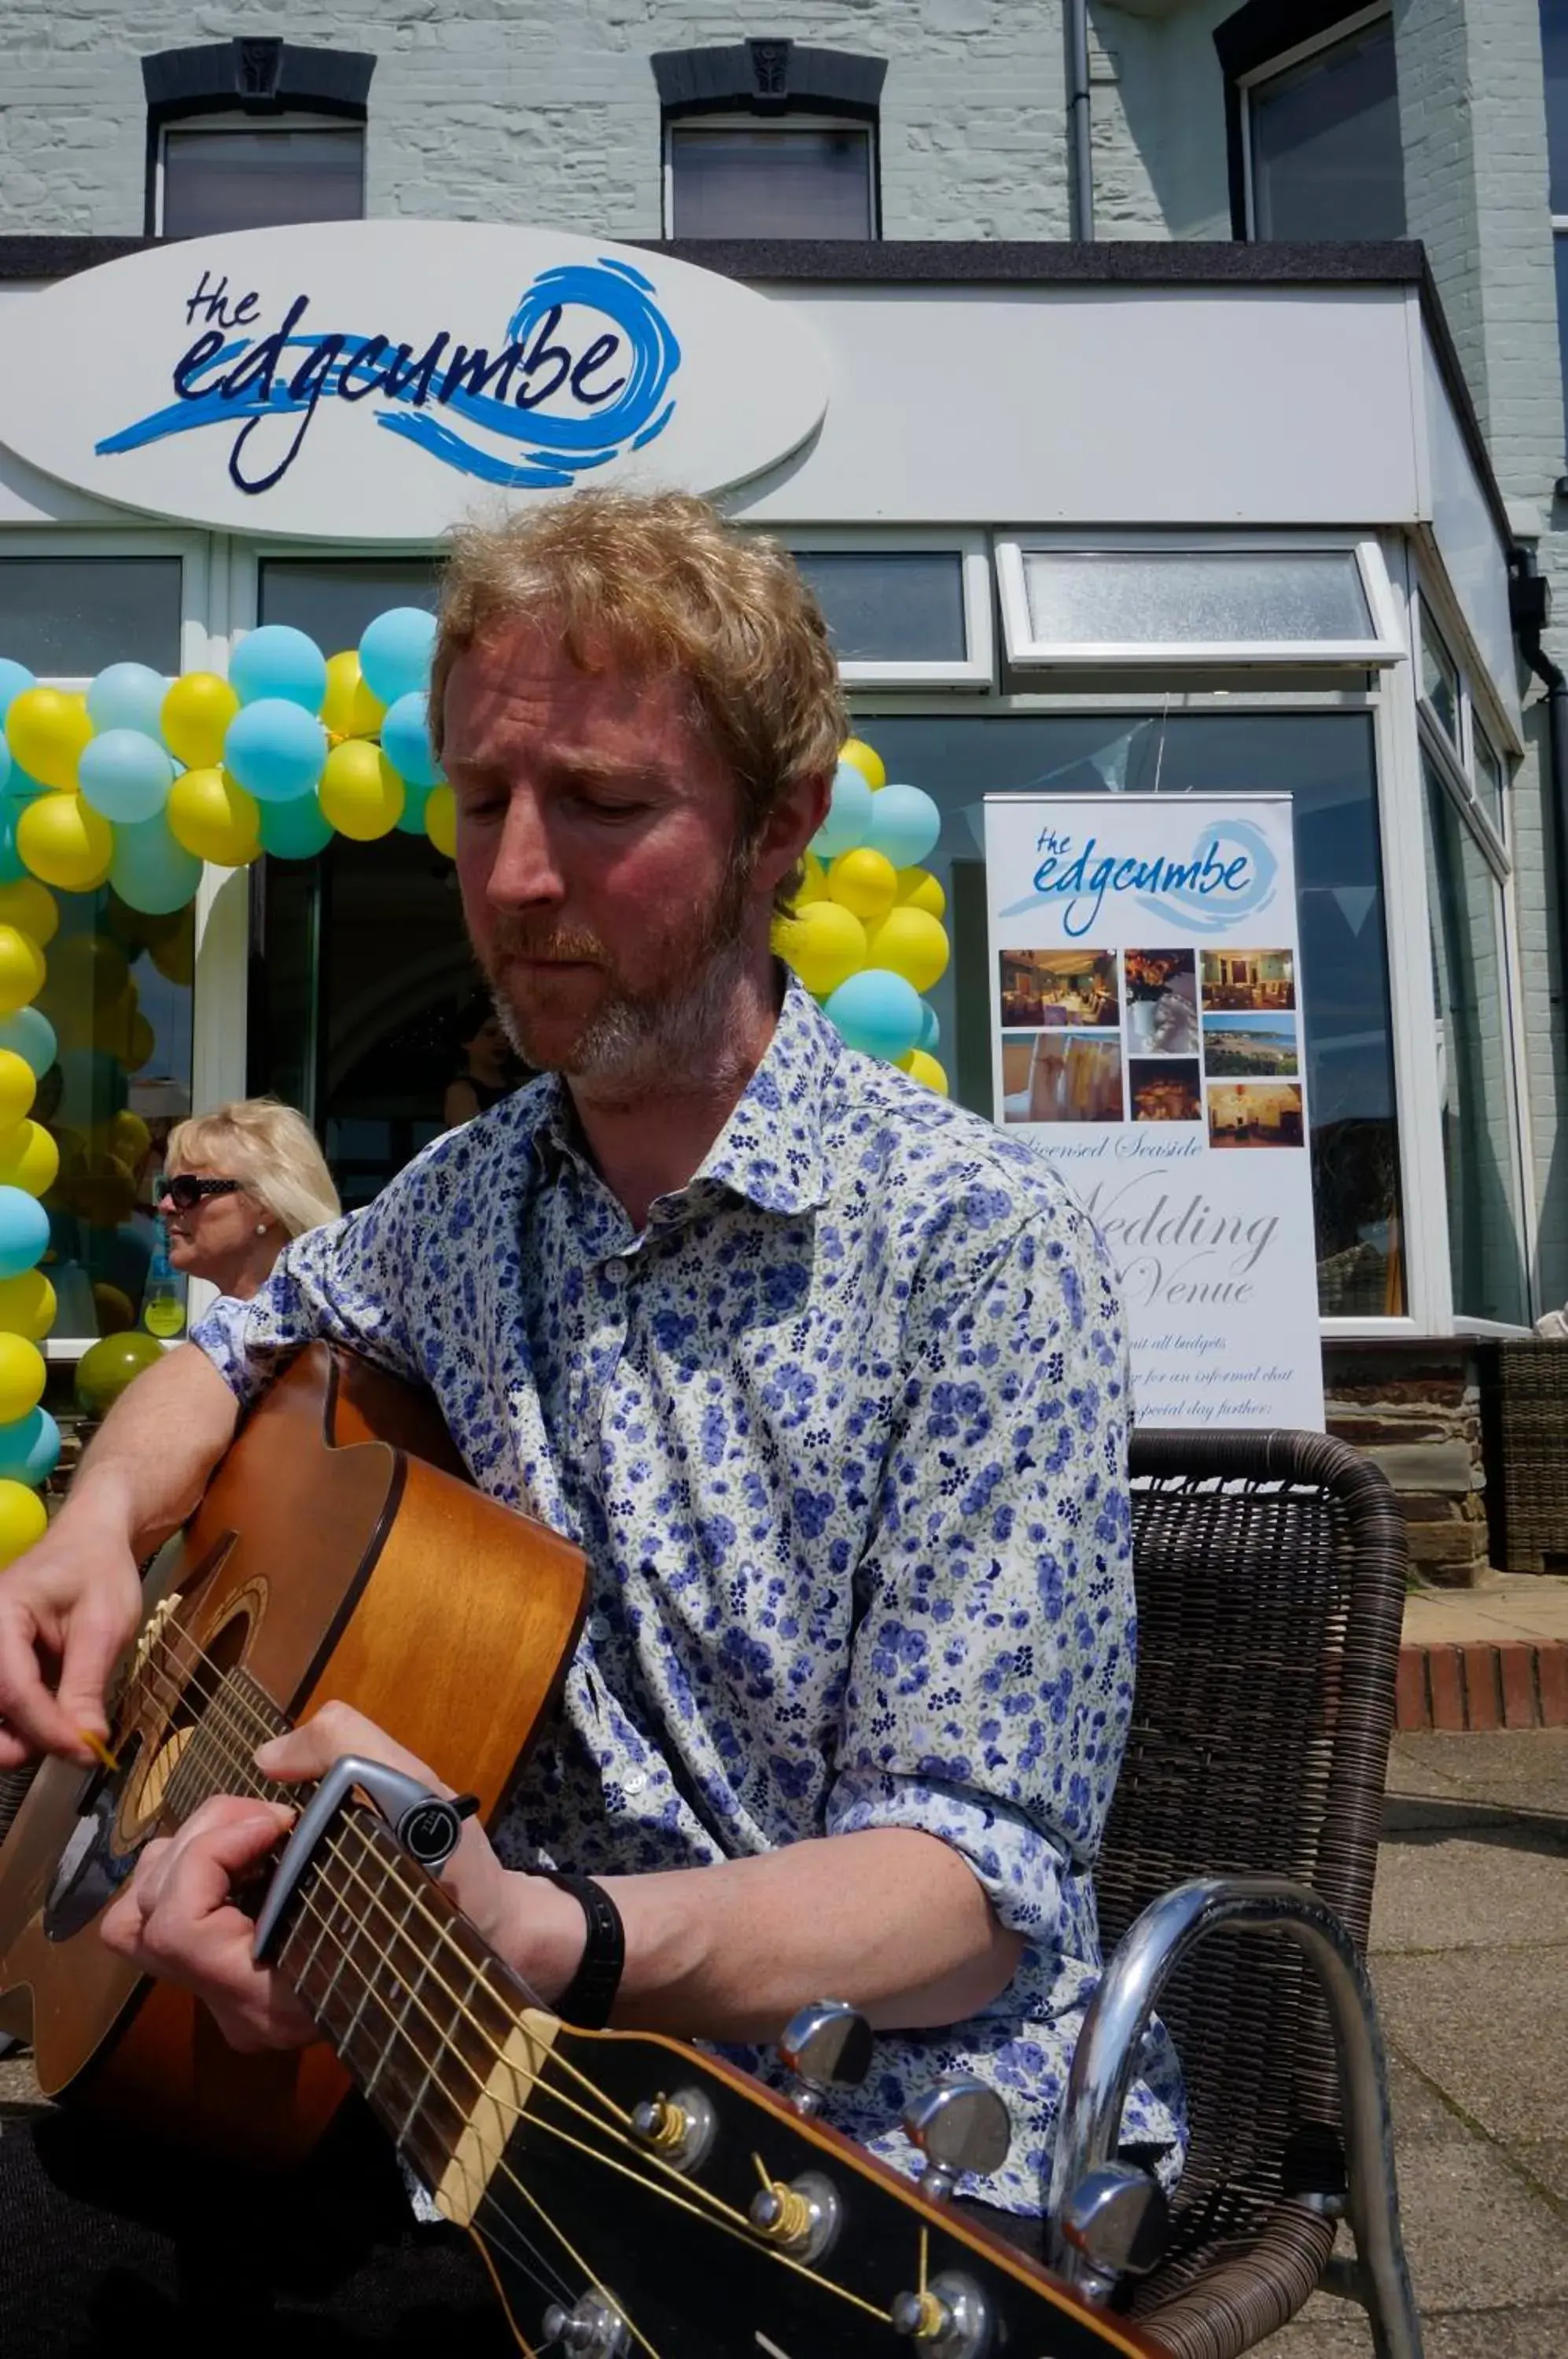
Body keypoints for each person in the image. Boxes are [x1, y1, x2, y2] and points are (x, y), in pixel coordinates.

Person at [0, 491, 1182, 2348]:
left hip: (841, 2159)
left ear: (782, 827)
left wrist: (562, 1932)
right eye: (482, 803)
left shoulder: (972, 1244)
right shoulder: (469, 1200)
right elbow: (235, 1344)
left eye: (604, 806)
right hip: (448, 2055)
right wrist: (90, 1531)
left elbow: (965, 1892)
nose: (516, 880)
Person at [156, 1099, 342, 1301]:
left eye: (185, 1190)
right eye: (165, 1190)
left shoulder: (315, 1327)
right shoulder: (228, 1326)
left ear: (265, 1205)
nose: (165, 1205)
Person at [441, 990, 520, 1127]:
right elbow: (473, 1142)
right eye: (490, 1034)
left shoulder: (515, 1087)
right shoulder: (461, 1092)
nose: (501, 1042)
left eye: (506, 1036)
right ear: (467, 1041)